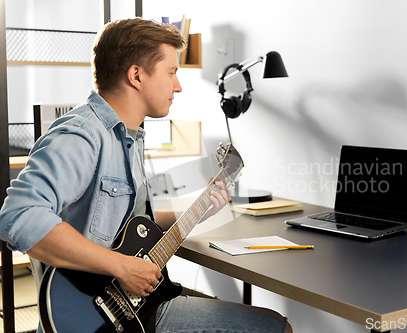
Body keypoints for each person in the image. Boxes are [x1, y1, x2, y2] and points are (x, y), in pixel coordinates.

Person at [0, 18, 292, 333]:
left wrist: (197, 210)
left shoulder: (129, 135)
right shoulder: (81, 135)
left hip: (138, 302)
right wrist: (120, 265)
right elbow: (19, 216)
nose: (177, 86)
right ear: (137, 75)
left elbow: (132, 226)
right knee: (276, 328)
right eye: (171, 73)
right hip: (98, 313)